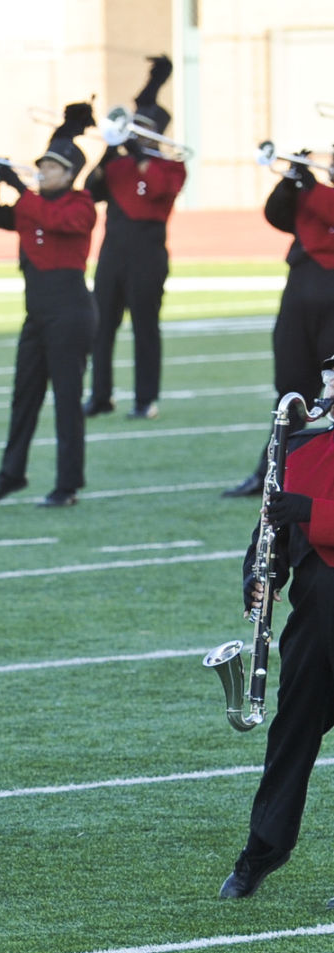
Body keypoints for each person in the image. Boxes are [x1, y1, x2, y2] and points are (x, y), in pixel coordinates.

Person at [219, 354, 334, 904]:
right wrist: (259, 575)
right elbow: (270, 533)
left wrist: (308, 509)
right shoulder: (299, 448)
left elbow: (304, 513)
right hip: (315, 622)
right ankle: (262, 852)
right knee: (291, 738)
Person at [0, 103, 99, 509]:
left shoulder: (80, 204)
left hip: (71, 311)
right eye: (40, 166)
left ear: (69, 173)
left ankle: (68, 484)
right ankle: (10, 474)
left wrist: (20, 188)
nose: (42, 172)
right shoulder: (33, 206)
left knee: (66, 401)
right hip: (38, 314)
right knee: (23, 397)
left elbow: (61, 222)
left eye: (51, 167)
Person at [225, 131, 334, 497]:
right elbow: (277, 216)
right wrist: (291, 182)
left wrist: (312, 187)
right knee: (290, 391)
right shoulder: (315, 196)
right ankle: (272, 473)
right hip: (300, 292)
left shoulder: (322, 197)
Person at [84, 57, 186, 421]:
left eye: (142, 128)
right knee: (101, 328)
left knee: (145, 330)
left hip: (148, 255)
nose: (135, 134)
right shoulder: (118, 162)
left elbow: (160, 193)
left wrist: (144, 157)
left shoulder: (172, 166)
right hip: (112, 253)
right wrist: (110, 148)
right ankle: (100, 396)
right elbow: (90, 190)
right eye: (133, 127)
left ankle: (146, 400)